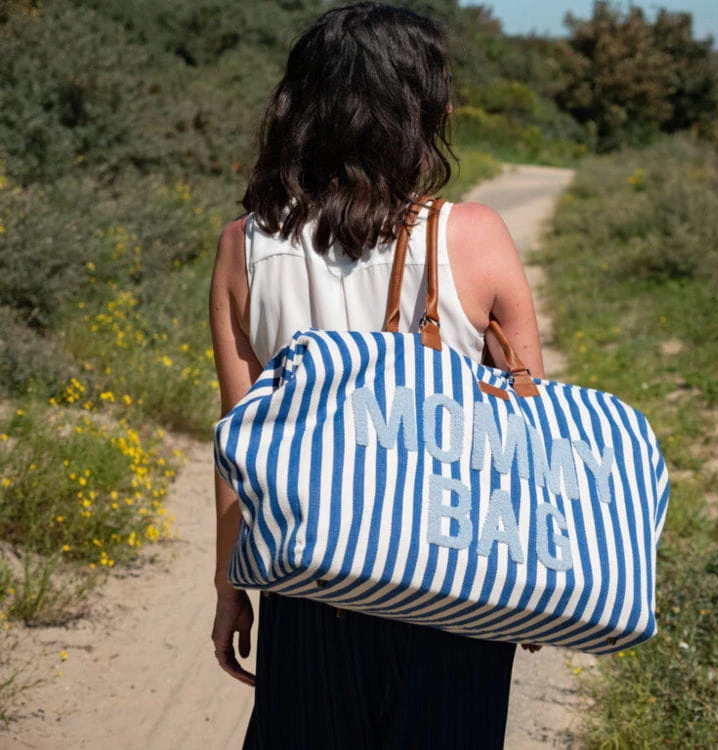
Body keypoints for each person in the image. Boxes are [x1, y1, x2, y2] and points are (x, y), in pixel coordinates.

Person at [208, 3, 544, 747]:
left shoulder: (244, 248)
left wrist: (230, 584)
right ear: (412, 110)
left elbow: (239, 447)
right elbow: (524, 439)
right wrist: (526, 586)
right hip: (456, 583)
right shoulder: (474, 235)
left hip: (311, 582)